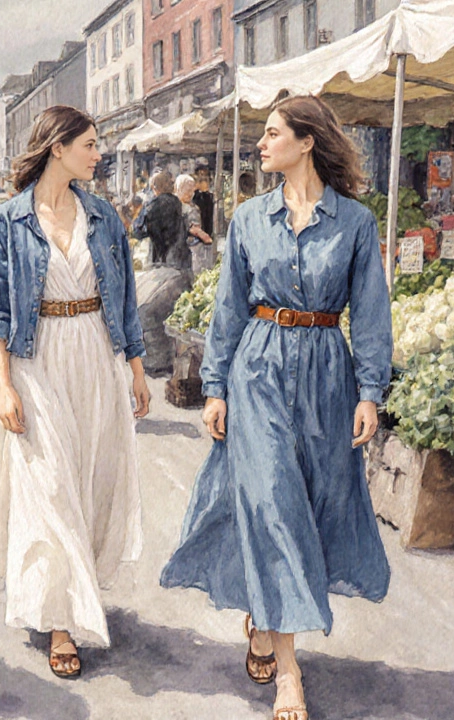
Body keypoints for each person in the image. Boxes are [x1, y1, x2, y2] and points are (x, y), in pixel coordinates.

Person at [160, 96, 392, 720]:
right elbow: (228, 309)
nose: (260, 145)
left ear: (307, 141)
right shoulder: (247, 219)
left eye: (271, 134)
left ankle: (266, 619)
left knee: (310, 506)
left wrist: (370, 392)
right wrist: (215, 386)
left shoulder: (355, 223)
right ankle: (290, 673)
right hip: (258, 369)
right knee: (272, 505)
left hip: (326, 374)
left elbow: (372, 313)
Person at [0, 105, 152, 679]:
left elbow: (125, 298)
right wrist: (3, 385)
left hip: (93, 355)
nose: (98, 154)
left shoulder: (103, 217)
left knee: (90, 481)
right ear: (57, 147)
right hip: (35, 360)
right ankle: (62, 624)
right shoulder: (6, 223)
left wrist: (137, 369)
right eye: (90, 144)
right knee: (49, 487)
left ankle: (71, 594)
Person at [143, 171, 191, 272]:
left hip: (162, 260)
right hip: (179, 256)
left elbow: (145, 231)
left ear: (155, 187)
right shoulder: (177, 202)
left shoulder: (153, 206)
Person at [193, 166, 216, 238]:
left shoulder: (210, 197)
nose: (204, 179)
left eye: (206, 178)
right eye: (201, 178)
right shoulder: (193, 196)